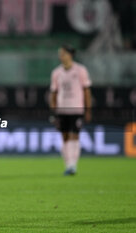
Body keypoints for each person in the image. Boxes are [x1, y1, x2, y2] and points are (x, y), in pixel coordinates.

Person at [50, 44, 92, 176]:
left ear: (70, 55)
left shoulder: (80, 70)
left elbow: (86, 91)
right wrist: (53, 109)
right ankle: (68, 164)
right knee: (65, 137)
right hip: (62, 109)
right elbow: (54, 92)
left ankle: (73, 165)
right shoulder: (56, 73)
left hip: (76, 108)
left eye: (63, 54)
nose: (60, 56)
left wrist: (88, 109)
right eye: (60, 54)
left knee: (74, 135)